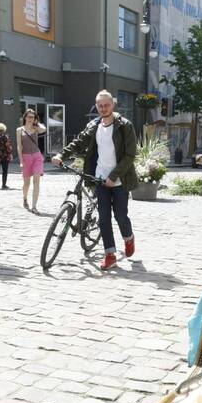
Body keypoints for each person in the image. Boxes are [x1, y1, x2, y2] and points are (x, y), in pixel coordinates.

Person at [52, 90, 138, 271]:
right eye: (100, 105)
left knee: (121, 216)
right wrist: (61, 154)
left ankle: (128, 238)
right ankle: (110, 255)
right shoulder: (94, 125)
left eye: (106, 105)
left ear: (113, 105)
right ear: (96, 106)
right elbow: (79, 142)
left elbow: (130, 155)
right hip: (99, 178)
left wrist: (113, 176)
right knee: (104, 219)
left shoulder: (124, 126)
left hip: (119, 179)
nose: (103, 108)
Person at [17, 109, 47, 212]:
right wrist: (21, 161)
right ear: (25, 117)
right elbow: (19, 146)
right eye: (29, 117)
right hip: (26, 158)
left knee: (36, 181)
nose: (30, 119)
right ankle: (25, 198)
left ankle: (34, 206)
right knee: (26, 183)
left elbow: (44, 129)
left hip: (37, 156)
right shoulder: (20, 130)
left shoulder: (36, 128)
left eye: (32, 117)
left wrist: (37, 124)